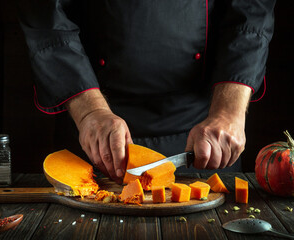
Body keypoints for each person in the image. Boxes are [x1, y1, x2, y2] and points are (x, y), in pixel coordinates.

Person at [18, 0, 275, 183]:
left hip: (205, 139)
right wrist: (91, 112)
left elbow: (251, 13)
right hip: (92, 132)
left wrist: (229, 112)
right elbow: (45, 14)